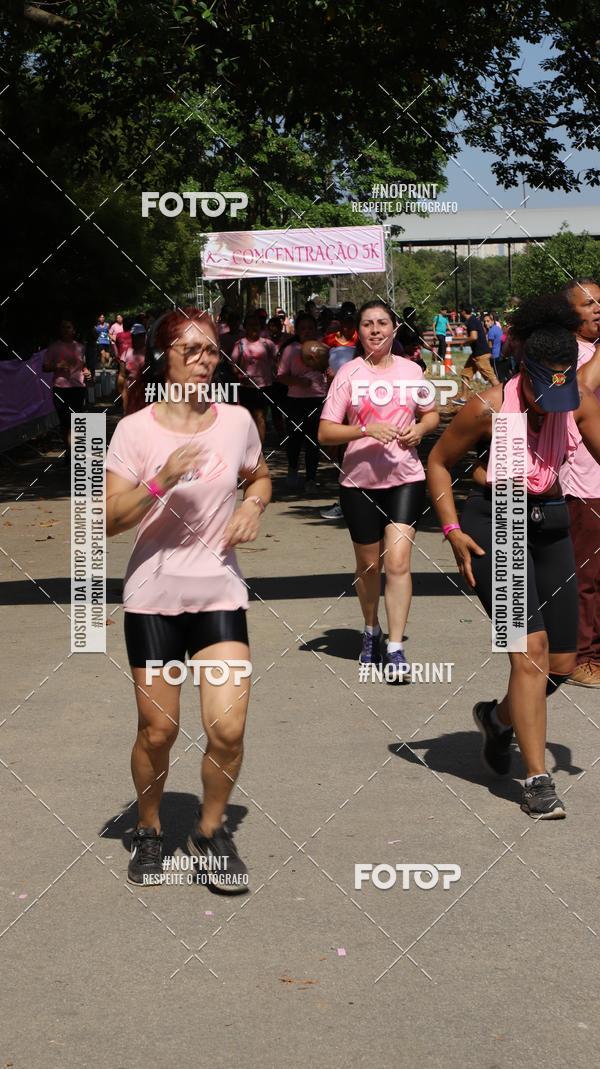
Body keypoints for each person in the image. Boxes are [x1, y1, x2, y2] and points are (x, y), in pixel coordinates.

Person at [105, 307, 271, 889]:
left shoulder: (235, 420)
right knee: (158, 730)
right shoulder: (136, 431)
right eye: (192, 351)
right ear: (165, 358)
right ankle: (149, 829)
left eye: (210, 350)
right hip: (153, 598)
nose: (205, 361)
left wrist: (253, 504)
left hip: (219, 592)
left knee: (227, 729)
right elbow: (106, 522)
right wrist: (161, 480)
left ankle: (209, 831)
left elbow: (259, 473)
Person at [427, 294, 600, 818]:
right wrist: (452, 529)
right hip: (494, 522)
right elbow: (436, 462)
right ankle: (536, 779)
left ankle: (499, 720)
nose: (556, 399)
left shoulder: (577, 400)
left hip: (551, 521)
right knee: (530, 652)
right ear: (523, 370)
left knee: (563, 665)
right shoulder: (486, 407)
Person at [318, 300, 440, 678]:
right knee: (369, 565)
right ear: (359, 332)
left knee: (399, 562)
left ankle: (396, 645)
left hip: (406, 478)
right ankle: (371, 629)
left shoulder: (412, 370)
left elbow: (431, 414)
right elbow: (325, 433)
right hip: (360, 483)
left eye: (382, 323)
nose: (375, 329)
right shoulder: (348, 373)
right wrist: (366, 429)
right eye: (368, 324)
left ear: (393, 329)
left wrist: (418, 430)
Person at [559, 278, 600, 686]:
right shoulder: (566, 352)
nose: (597, 310)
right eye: (588, 304)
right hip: (585, 481)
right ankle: (580, 658)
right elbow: (582, 391)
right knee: (586, 577)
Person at [277, 311, 327, 492]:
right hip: (295, 401)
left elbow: (327, 369)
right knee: (295, 438)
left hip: (317, 399)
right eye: (303, 328)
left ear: (316, 329)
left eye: (310, 328)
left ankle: (311, 479)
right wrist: (298, 381)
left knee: (314, 440)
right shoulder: (290, 350)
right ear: (296, 330)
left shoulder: (322, 347)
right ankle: (292, 471)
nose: (307, 331)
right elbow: (281, 376)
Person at [43, 319, 91, 462]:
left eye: (68, 327)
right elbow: (44, 367)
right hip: (60, 387)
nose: (66, 330)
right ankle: (69, 450)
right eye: (63, 327)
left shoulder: (81, 347)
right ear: (60, 330)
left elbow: (84, 366)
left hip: (77, 387)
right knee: (65, 421)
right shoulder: (54, 348)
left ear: (73, 330)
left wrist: (88, 373)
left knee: (76, 419)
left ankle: (76, 452)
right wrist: (56, 366)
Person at [231, 312, 278, 443]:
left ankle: (259, 452)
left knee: (260, 417)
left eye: (256, 325)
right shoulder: (239, 344)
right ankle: (247, 447)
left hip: (265, 386)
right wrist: (240, 375)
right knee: (247, 418)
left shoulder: (268, 344)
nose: (254, 327)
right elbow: (233, 365)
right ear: (245, 327)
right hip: (246, 387)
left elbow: (277, 362)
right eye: (250, 325)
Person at [454, 305, 499, 403]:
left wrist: (463, 343)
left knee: (491, 378)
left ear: (463, 312)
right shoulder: (472, 320)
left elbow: (474, 337)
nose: (460, 313)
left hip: (480, 354)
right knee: (465, 374)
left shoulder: (472, 321)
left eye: (460, 311)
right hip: (475, 354)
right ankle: (463, 398)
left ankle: (504, 399)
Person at [117, 320, 146, 416]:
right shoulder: (126, 354)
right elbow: (122, 376)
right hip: (130, 392)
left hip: (146, 392)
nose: (137, 338)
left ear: (144, 336)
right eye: (135, 336)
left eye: (140, 336)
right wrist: (121, 394)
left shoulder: (149, 353)